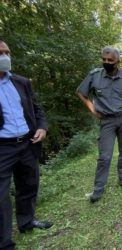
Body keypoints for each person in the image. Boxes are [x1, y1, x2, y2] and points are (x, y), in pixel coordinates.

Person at [76, 47, 122, 203]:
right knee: (104, 156)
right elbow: (80, 92)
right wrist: (93, 109)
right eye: (104, 59)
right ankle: (98, 189)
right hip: (106, 120)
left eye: (110, 60)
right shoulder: (94, 76)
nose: (106, 62)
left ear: (117, 61)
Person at [0, 38, 53, 250]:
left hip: (27, 143)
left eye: (7, 52)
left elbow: (36, 109)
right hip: (2, 147)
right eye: (0, 53)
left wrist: (42, 127)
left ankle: (26, 221)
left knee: (29, 184)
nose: (5, 57)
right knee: (1, 197)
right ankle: (5, 243)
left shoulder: (21, 82)